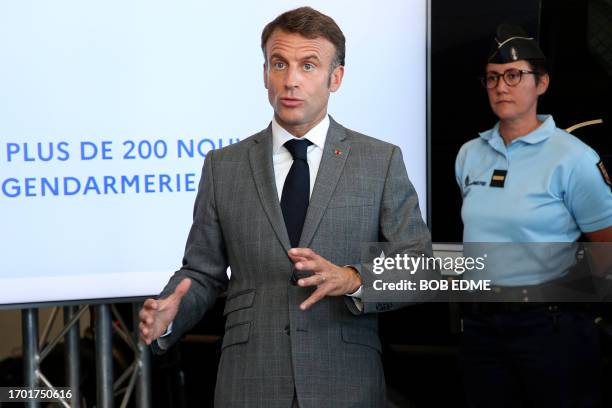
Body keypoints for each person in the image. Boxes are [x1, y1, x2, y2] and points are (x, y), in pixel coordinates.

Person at [139, 7, 432, 407]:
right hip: (250, 380)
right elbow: (202, 272)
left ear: (336, 78)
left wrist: (353, 278)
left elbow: (417, 266)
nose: (291, 80)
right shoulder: (224, 166)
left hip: (344, 380)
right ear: (265, 74)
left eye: (308, 65)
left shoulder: (379, 161)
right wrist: (170, 313)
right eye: (280, 64)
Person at [455, 24, 612, 408]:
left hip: (548, 328)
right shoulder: (469, 154)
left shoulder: (573, 158)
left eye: (514, 75)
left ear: (541, 84)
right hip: (480, 327)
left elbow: (606, 250)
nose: (501, 87)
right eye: (492, 78)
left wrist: (560, 304)